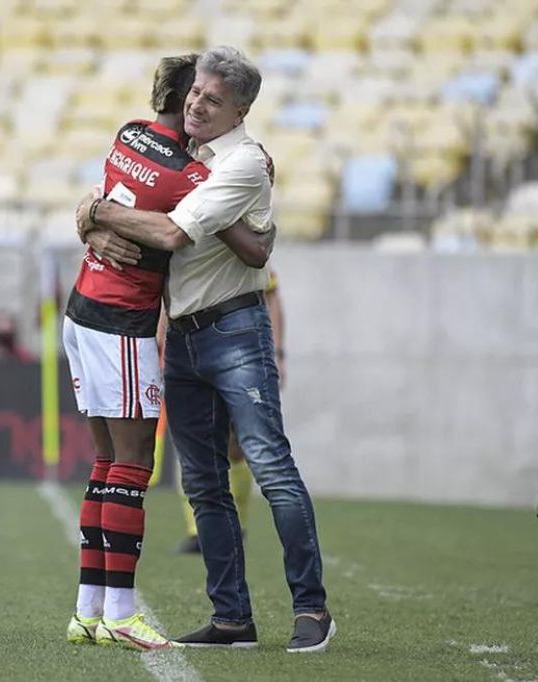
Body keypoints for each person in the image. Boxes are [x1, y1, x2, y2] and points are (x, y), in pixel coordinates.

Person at [77, 46, 334, 654]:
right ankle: (231, 619)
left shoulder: (243, 163)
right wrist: (91, 217)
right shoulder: (183, 153)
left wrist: (96, 209)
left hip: (236, 331)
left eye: (213, 99)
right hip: (182, 334)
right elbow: (142, 201)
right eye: (195, 92)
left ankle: (312, 609)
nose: (197, 103)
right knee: (202, 483)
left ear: (241, 110)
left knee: (270, 465)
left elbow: (166, 230)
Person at [174, 267, 284, 554]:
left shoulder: (240, 247)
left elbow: (271, 295)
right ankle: (198, 530)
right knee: (192, 444)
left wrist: (278, 351)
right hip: (187, 351)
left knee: (237, 445)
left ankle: (239, 525)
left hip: (237, 351)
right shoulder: (181, 246)